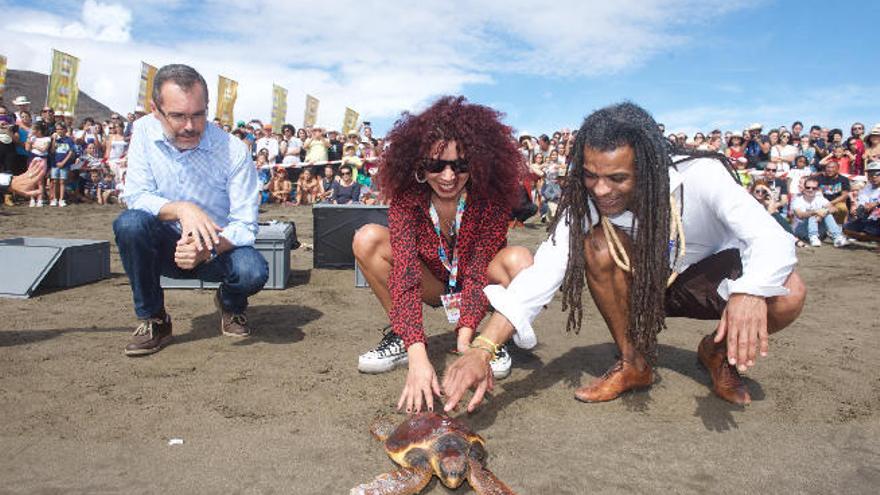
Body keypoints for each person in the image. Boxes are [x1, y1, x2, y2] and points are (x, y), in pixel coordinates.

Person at [442, 102, 806, 413]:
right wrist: (482, 350)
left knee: (788, 293)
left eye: (617, 178)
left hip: (707, 283)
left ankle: (717, 352)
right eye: (590, 176)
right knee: (597, 244)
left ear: (648, 168)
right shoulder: (585, 200)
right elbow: (544, 272)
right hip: (639, 288)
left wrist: (750, 292)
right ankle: (633, 363)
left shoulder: (703, 176)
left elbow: (773, 237)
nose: (601, 190)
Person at [352, 96, 531, 414]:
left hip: (481, 286)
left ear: (475, 163)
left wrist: (468, 345)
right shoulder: (407, 198)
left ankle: (491, 337)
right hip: (433, 283)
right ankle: (402, 336)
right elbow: (406, 273)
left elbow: (477, 271)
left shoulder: (490, 197)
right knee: (367, 240)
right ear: (419, 165)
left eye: (460, 165)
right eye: (436, 165)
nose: (448, 176)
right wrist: (419, 358)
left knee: (520, 261)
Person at [113, 64, 269, 357]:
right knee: (130, 224)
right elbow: (136, 195)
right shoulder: (143, 131)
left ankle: (230, 303)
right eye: (177, 116)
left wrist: (207, 249)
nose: (189, 126)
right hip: (163, 243)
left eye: (198, 114)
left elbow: (246, 224)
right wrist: (182, 209)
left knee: (253, 271)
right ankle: (154, 319)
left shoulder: (234, 150)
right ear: (156, 110)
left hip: (217, 247)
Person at [791, 176, 848, 247]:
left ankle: (837, 238)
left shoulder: (820, 199)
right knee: (813, 214)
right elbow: (800, 215)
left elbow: (834, 209)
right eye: (808, 187)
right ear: (804, 188)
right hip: (802, 229)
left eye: (814, 188)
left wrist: (823, 212)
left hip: (819, 229)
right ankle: (813, 237)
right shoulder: (798, 200)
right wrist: (816, 212)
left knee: (827, 213)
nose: (810, 190)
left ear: (817, 189)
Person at [843, 161, 880, 240]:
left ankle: (871, 236)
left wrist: (876, 203)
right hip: (870, 217)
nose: (874, 177)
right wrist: (857, 207)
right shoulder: (867, 187)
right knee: (847, 228)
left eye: (877, 174)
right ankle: (873, 238)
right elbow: (862, 201)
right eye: (871, 174)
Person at [815, 159, 851, 225]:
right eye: (828, 167)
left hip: (837, 202)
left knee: (842, 208)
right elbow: (817, 192)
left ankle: (839, 226)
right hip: (822, 202)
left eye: (833, 167)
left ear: (837, 169)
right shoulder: (820, 178)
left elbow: (844, 195)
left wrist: (831, 203)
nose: (830, 169)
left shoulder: (843, 179)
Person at [48, 122, 76, 207]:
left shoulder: (69, 140)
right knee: (54, 181)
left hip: (64, 164)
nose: (59, 131)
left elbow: (71, 152)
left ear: (65, 130)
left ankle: (61, 199)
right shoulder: (54, 139)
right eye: (57, 129)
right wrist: (53, 140)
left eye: (61, 129)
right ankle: (54, 199)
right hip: (54, 163)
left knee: (62, 181)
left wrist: (63, 162)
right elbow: (52, 151)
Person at [26, 121, 51, 207]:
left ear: (39, 130)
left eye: (33, 129)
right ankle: (32, 198)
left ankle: (40, 199)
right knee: (32, 180)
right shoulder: (32, 138)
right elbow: (27, 148)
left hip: (42, 160)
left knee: (40, 181)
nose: (31, 130)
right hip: (32, 159)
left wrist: (34, 146)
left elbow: (44, 149)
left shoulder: (47, 139)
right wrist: (29, 139)